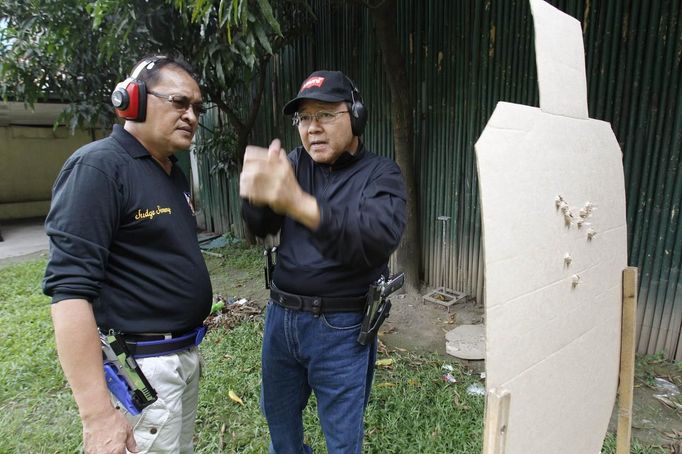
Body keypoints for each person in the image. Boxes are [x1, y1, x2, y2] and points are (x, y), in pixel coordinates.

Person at [43, 55, 212, 454]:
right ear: (131, 99)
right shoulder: (98, 168)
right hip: (143, 367)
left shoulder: (170, 171)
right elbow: (69, 294)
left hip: (182, 356)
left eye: (197, 108)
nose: (191, 115)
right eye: (179, 102)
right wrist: (98, 416)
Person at [240, 70, 407, 453]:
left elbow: (374, 241)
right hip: (280, 320)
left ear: (357, 116)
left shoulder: (381, 175)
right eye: (305, 118)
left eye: (326, 115)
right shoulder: (295, 164)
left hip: (341, 327)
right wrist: (255, 194)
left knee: (342, 438)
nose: (312, 128)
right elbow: (260, 226)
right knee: (280, 426)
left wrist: (297, 203)